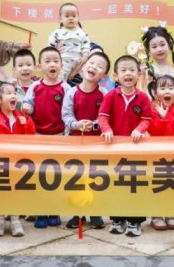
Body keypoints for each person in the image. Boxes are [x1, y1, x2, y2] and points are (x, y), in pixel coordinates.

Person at [97, 55, 152, 237]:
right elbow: (102, 117)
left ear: (138, 75)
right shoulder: (110, 96)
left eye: (132, 70)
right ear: (116, 75)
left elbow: (146, 119)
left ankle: (135, 221)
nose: (128, 73)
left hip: (136, 150)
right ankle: (117, 219)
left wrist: (139, 129)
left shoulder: (143, 98)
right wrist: (106, 129)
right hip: (115, 150)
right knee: (116, 184)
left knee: (135, 185)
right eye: (123, 70)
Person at [22, 47, 72, 228]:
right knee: (39, 174)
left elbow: (69, 112)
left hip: (58, 137)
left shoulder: (66, 88)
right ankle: (41, 211)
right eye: (48, 61)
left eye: (56, 61)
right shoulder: (35, 87)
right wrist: (27, 107)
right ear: (39, 66)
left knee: (56, 175)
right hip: (38, 137)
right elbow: (28, 103)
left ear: (61, 65)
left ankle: (54, 210)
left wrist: (66, 135)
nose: (52, 64)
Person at [61, 51, 111, 230]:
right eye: (91, 63)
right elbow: (66, 115)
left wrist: (94, 124)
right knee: (77, 177)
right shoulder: (71, 92)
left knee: (94, 177)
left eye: (100, 66)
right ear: (83, 66)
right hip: (75, 143)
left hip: (96, 144)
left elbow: (106, 116)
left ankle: (95, 212)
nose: (94, 67)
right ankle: (77, 213)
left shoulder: (104, 94)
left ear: (103, 75)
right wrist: (76, 124)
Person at [0, 81, 35, 237]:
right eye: (9, 93)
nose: (13, 96)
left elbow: (30, 136)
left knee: (15, 191)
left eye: (14, 93)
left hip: (17, 162)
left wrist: (26, 123)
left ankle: (15, 220)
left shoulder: (21, 117)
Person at [147, 75, 174, 231]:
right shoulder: (152, 111)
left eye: (171, 88)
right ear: (155, 94)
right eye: (163, 88)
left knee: (172, 185)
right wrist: (162, 117)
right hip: (156, 156)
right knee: (158, 185)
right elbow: (155, 131)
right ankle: (156, 215)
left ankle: (171, 214)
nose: (167, 91)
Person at [141, 25, 174, 106]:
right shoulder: (147, 72)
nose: (159, 49)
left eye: (162, 45)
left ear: (169, 45)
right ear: (148, 50)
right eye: (154, 46)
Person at [48, 3, 91, 81]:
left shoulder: (82, 33)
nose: (71, 18)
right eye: (67, 16)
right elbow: (49, 47)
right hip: (64, 61)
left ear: (78, 17)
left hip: (79, 61)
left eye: (74, 16)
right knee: (60, 79)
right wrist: (54, 52)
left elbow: (86, 44)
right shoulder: (57, 33)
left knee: (87, 77)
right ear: (60, 19)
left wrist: (85, 54)